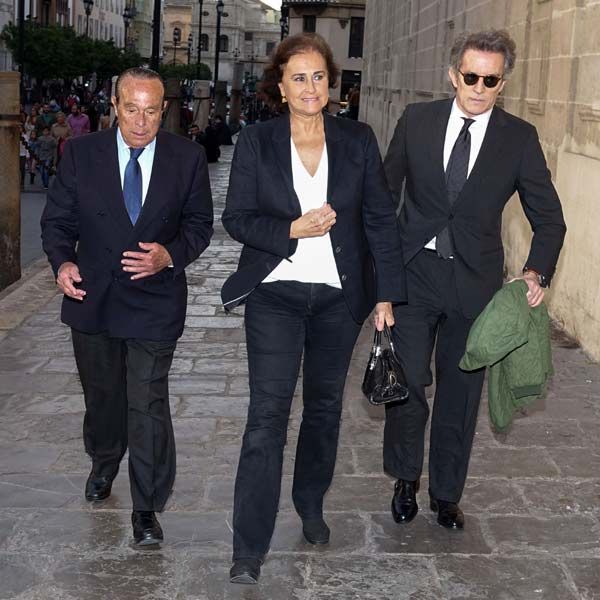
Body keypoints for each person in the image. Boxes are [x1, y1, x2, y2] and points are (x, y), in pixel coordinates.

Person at [221, 32, 406, 584]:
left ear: (332, 83)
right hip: (275, 295)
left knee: (324, 411)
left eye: (318, 76)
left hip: (338, 301)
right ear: (280, 85)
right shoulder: (255, 141)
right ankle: (248, 545)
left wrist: (385, 294)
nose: (310, 86)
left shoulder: (357, 139)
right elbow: (237, 218)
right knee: (266, 420)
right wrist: (291, 230)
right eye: (298, 77)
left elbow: (378, 219)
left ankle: (309, 504)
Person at [382, 29, 566, 531]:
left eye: (491, 79)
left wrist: (537, 271)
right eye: (471, 76)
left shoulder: (518, 138)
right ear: (452, 75)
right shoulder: (416, 122)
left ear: (502, 83)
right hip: (412, 276)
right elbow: (382, 199)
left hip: (474, 286)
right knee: (410, 383)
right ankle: (404, 479)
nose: (479, 86)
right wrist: (380, 281)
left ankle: (445, 494)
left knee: (460, 397)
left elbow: (550, 218)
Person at [41, 67, 214, 546]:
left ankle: (146, 507)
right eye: (132, 109)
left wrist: (169, 255)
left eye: (152, 111)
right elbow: (57, 222)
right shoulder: (79, 155)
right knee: (104, 400)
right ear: (114, 106)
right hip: (92, 298)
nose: (141, 121)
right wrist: (62, 264)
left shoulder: (188, 158)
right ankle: (104, 459)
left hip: (154, 302)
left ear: (165, 111)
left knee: (148, 401)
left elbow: (200, 226)